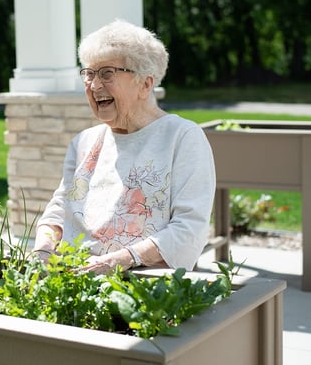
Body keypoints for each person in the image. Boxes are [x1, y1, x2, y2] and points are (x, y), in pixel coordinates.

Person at [33, 19, 216, 274]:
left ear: (145, 83)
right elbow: (58, 210)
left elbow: (189, 229)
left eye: (107, 73)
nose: (95, 85)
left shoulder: (182, 137)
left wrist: (117, 261)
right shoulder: (84, 142)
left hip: (142, 283)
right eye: (89, 73)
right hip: (73, 277)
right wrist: (42, 251)